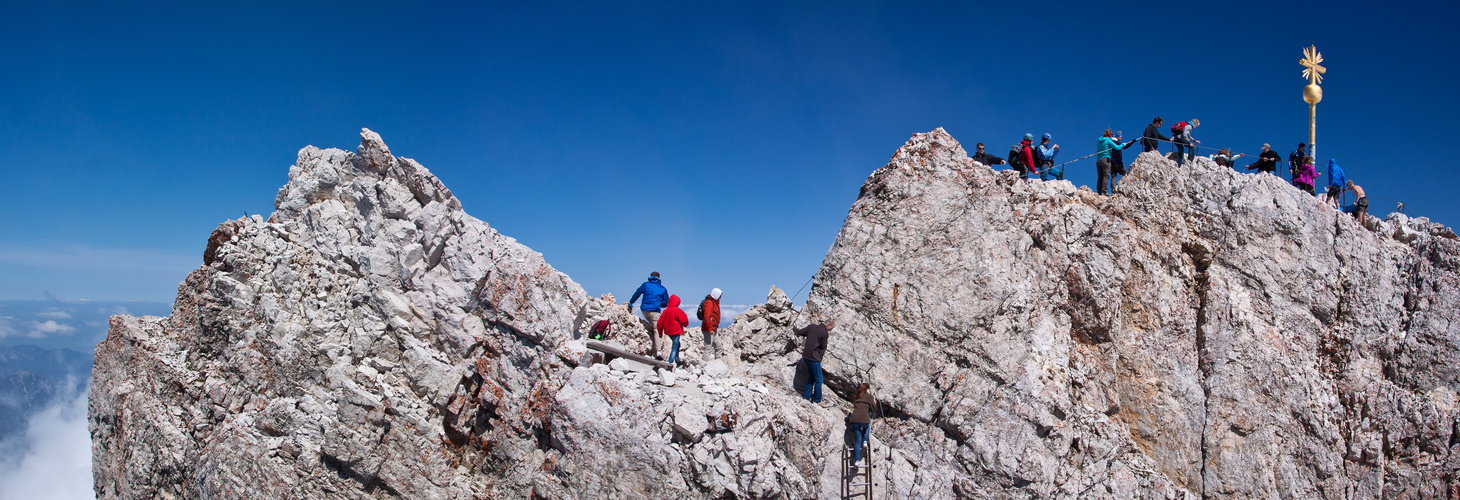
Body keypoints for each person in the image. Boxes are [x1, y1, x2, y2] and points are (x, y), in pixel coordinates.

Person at [626, 272, 669, 359]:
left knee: (652, 326)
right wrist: (658, 303)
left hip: (644, 310)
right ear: (659, 278)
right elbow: (666, 303)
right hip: (655, 312)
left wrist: (631, 302)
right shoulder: (663, 289)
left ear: (651, 277)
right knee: (657, 330)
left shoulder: (646, 285)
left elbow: (637, 293)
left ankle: (653, 341)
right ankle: (659, 352)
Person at [795, 319, 835, 404]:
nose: (831, 330)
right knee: (819, 379)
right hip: (814, 357)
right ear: (828, 325)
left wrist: (811, 336)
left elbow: (801, 332)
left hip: (805, 356)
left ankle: (807, 396)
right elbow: (823, 346)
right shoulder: (824, 333)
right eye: (831, 328)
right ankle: (817, 400)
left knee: (812, 377)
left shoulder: (812, 327)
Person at [846, 382, 875, 474]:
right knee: (866, 427)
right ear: (867, 389)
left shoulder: (857, 396)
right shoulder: (869, 397)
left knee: (858, 440)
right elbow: (873, 409)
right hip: (864, 418)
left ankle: (857, 460)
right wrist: (874, 402)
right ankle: (865, 441)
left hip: (854, 419)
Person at [656, 294, 689, 366]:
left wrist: (660, 332)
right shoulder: (678, 311)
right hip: (676, 331)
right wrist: (685, 325)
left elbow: (659, 323)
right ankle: (670, 361)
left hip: (668, 331)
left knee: (677, 344)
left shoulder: (665, 311)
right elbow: (684, 321)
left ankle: (677, 359)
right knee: (675, 345)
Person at [1095, 129, 1131, 195]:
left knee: (1100, 176)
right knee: (1106, 176)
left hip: (1098, 160)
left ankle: (1099, 191)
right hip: (1106, 160)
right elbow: (1117, 147)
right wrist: (1123, 144)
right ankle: (1104, 191)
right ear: (1109, 135)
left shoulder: (1100, 140)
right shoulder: (1108, 140)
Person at [699, 288, 722, 362]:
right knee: (708, 348)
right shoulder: (709, 303)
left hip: (714, 329)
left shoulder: (715, 302)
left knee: (718, 346)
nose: (720, 297)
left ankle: (719, 364)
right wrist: (710, 328)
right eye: (720, 295)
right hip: (709, 329)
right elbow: (707, 316)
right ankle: (702, 365)